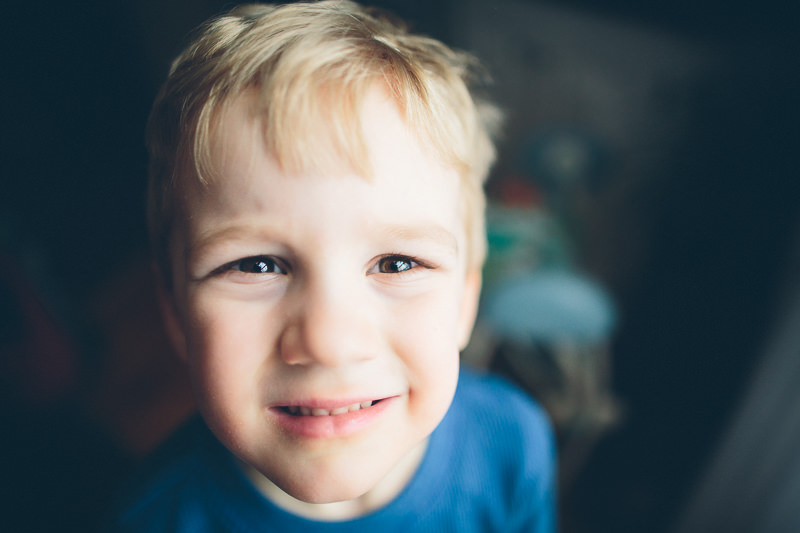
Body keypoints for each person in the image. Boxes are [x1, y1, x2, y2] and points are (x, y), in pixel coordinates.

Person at [109, 1, 556, 531]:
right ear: (175, 313)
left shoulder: (512, 443)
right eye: (257, 264)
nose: (329, 340)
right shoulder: (153, 519)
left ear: (465, 300)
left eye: (396, 262)